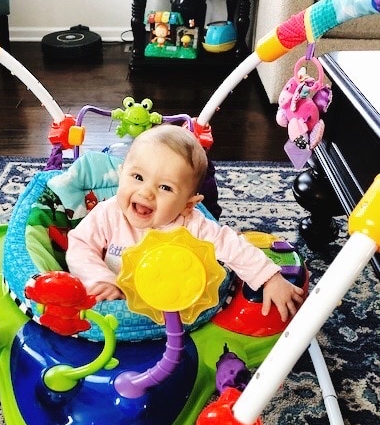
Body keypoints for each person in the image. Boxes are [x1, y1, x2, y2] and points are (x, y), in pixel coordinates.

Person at [66, 124, 304, 322]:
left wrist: (269, 277)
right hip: (116, 311)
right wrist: (101, 279)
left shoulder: (191, 225)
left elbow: (232, 245)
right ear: (121, 174)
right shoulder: (108, 214)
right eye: (137, 177)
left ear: (188, 205)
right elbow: (80, 245)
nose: (146, 192)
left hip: (170, 312)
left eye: (165, 187)